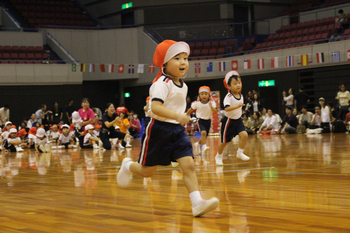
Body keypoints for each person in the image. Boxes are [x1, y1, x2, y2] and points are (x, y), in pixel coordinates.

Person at [117, 40, 219, 217]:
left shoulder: (184, 86)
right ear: (164, 63)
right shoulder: (161, 83)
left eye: (185, 58)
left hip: (177, 132)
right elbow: (155, 108)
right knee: (148, 172)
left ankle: (197, 203)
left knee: (188, 165)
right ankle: (128, 165)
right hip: (158, 129)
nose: (183, 62)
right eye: (177, 58)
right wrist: (178, 116)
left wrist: (179, 118)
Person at [215, 70, 250, 166]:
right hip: (229, 121)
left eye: (239, 83)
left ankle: (240, 153)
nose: (238, 85)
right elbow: (227, 109)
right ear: (229, 86)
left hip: (238, 120)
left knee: (245, 135)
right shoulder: (228, 96)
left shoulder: (241, 96)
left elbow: (238, 109)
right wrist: (237, 106)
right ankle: (218, 155)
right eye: (235, 84)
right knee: (224, 142)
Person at [186, 86, 217, 157]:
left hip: (208, 120)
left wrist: (211, 106)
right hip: (200, 120)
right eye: (202, 94)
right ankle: (204, 147)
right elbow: (190, 109)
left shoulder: (212, 102)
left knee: (204, 136)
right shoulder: (197, 103)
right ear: (199, 95)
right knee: (203, 133)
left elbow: (215, 111)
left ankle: (197, 144)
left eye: (206, 94)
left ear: (209, 95)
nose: (204, 95)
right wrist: (186, 115)